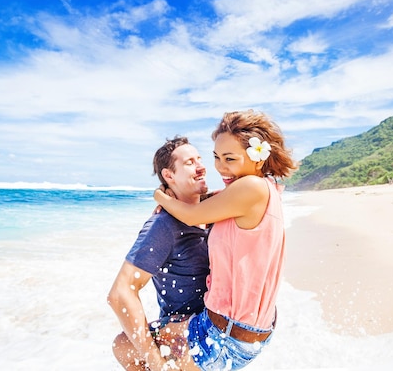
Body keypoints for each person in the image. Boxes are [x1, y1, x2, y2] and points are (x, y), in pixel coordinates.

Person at [151, 110, 299, 371]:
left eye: (230, 158)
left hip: (225, 335)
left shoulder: (251, 187)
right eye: (217, 157)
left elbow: (191, 215)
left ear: (257, 158)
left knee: (128, 344)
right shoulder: (265, 188)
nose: (220, 167)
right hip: (248, 330)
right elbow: (206, 204)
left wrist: (161, 196)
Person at [108, 136, 211, 371]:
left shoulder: (214, 212)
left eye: (200, 159)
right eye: (189, 162)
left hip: (218, 332)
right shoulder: (163, 225)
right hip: (184, 338)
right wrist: (155, 363)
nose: (201, 166)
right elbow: (120, 293)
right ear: (169, 176)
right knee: (122, 345)